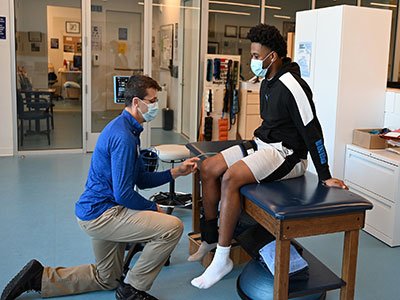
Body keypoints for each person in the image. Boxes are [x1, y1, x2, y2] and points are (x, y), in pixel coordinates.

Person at [1, 75, 199, 300]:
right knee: (172, 227)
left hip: (98, 209)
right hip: (103, 214)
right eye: (152, 101)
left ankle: (38, 277)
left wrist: (175, 172)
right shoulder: (123, 136)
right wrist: (153, 207)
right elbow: (124, 194)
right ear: (136, 102)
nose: (156, 106)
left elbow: (140, 180)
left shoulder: (128, 129)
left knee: (107, 278)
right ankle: (133, 290)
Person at [189, 24, 348, 289]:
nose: (252, 60)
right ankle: (210, 237)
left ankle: (222, 258)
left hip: (287, 154)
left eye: (255, 55)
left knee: (231, 177)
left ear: (271, 56)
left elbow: (313, 131)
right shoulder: (268, 80)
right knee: (208, 168)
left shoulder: (293, 86)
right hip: (263, 143)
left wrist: (325, 175)